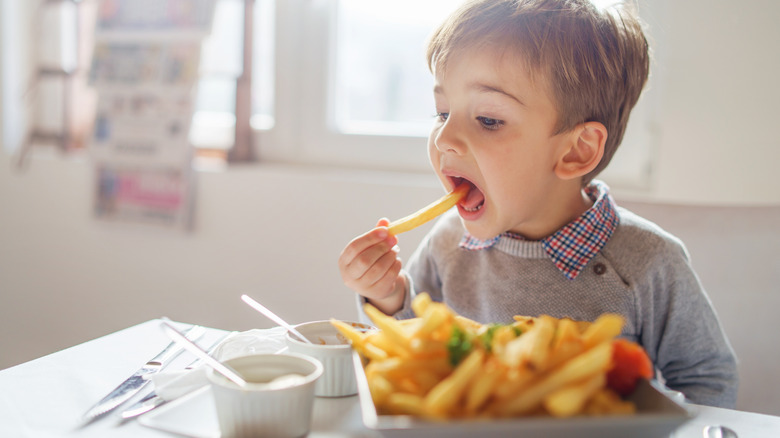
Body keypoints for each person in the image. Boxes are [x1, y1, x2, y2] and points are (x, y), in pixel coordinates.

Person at [337, 0, 738, 408]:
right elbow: (415, 347)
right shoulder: (447, 242)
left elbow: (707, 378)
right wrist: (388, 294)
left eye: (489, 120)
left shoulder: (649, 262)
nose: (444, 139)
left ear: (575, 152)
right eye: (442, 113)